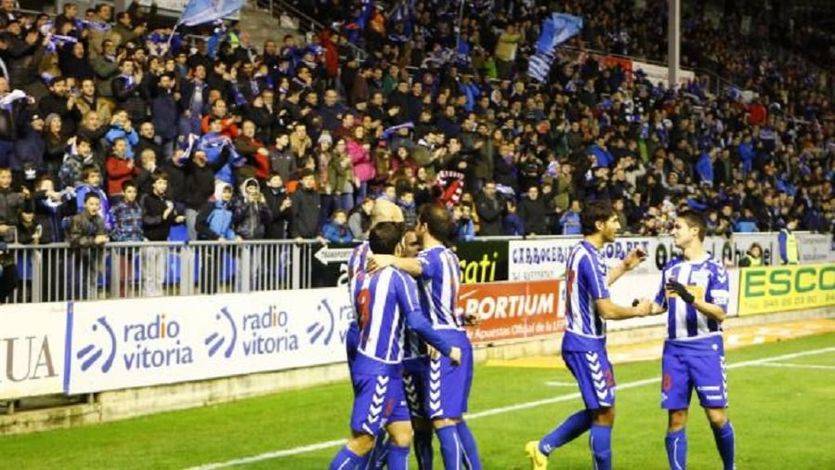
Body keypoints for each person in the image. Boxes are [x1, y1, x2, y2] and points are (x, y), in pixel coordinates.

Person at [526, 200, 656, 470]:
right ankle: (544, 447)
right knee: (604, 411)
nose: (619, 226)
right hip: (584, 345)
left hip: (588, 344)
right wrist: (639, 312)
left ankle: (543, 447)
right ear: (599, 225)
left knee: (603, 408)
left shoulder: (582, 253)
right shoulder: (589, 257)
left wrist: (624, 266)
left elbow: (595, 284)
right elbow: (606, 310)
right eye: (614, 221)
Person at [329, 222, 461, 470]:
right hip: (380, 370)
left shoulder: (360, 277)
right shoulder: (399, 278)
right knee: (363, 441)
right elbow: (416, 321)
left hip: (380, 367)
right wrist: (447, 348)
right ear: (399, 245)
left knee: (402, 434)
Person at [368, 204, 482, 469]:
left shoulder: (431, 257)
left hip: (438, 345)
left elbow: (421, 267)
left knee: (442, 420)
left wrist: (389, 259)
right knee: (449, 419)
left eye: (418, 224)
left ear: (425, 226)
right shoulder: (451, 257)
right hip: (454, 337)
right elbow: (438, 301)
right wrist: (462, 315)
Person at [647, 211, 735, 470]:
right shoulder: (671, 268)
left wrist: (690, 298)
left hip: (705, 348)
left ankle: (730, 467)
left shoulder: (714, 269)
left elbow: (720, 312)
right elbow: (658, 305)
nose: (673, 231)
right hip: (674, 351)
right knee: (676, 418)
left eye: (678, 227)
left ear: (694, 231)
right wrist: (631, 308)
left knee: (717, 417)